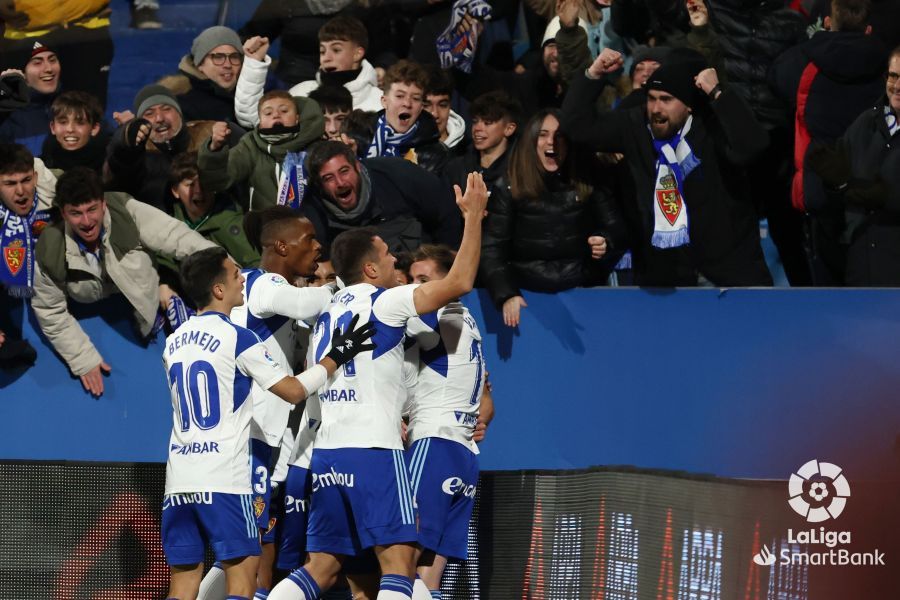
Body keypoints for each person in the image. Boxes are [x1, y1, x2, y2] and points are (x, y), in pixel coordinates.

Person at [267, 171, 488, 600]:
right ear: (370, 268)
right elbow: (459, 283)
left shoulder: (327, 314)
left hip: (327, 453)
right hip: (373, 450)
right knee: (401, 563)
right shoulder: (385, 302)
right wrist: (474, 217)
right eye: (388, 257)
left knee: (322, 569)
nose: (397, 266)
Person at [161, 246, 375, 600]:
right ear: (218, 290)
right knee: (243, 584)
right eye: (234, 275)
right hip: (225, 479)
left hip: (179, 481)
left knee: (182, 587)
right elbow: (292, 391)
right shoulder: (239, 337)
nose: (241, 281)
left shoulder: (172, 343)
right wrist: (338, 355)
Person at [196, 206, 334, 599]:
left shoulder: (264, 290)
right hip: (251, 436)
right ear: (281, 247)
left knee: (251, 545)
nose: (317, 246)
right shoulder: (266, 284)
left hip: (261, 436)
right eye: (308, 239)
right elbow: (311, 305)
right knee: (243, 548)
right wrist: (346, 288)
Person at [561, 47, 772, 287]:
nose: (656, 108)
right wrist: (592, 74)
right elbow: (576, 127)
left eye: (666, 99)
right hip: (665, 278)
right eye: (651, 98)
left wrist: (718, 92)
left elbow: (753, 146)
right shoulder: (634, 125)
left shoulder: (713, 126)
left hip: (727, 274)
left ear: (689, 105)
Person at [31, 167, 218, 397]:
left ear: (103, 204)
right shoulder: (50, 248)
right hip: (99, 317)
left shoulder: (126, 212)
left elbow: (178, 237)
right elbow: (49, 310)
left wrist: (227, 269)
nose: (87, 221)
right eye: (76, 213)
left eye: (92, 209)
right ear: (63, 213)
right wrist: (82, 358)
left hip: (146, 304)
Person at [770, 0, 886, 285]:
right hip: (877, 192)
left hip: (821, 193)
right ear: (868, 28)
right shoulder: (889, 65)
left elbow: (774, 82)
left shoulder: (798, 63)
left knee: (828, 297)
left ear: (827, 23)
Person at [404, 243, 495, 599]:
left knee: (401, 563)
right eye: (412, 279)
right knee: (428, 579)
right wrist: (478, 418)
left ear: (447, 281)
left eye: (424, 279)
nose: (415, 287)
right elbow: (487, 398)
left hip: (434, 445)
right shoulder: (464, 320)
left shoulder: (436, 313)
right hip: (463, 455)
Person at [480, 108, 626, 327]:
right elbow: (492, 250)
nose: (552, 142)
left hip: (584, 292)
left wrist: (607, 241)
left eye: (559, 136)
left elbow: (619, 230)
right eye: (543, 134)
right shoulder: (509, 187)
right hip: (526, 296)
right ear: (531, 141)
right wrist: (506, 294)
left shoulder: (588, 181)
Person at [807, 45, 900, 285]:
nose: (897, 86)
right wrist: (836, 185)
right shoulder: (865, 123)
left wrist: (887, 198)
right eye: (893, 76)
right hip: (860, 266)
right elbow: (838, 193)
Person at [302, 140, 462, 256]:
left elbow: (446, 211)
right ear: (319, 185)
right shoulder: (311, 212)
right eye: (328, 178)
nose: (340, 183)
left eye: (344, 171)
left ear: (358, 166)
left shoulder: (398, 174)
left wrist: (446, 264)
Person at [234, 16, 383, 131]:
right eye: (322, 51)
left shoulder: (380, 102)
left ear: (358, 54)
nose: (327, 57)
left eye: (336, 50)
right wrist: (254, 63)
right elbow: (253, 119)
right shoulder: (301, 93)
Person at [106, 84, 239, 211]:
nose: (159, 118)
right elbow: (117, 173)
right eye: (149, 113)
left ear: (179, 113)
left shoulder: (209, 135)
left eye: (166, 109)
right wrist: (124, 138)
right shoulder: (137, 156)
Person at [199, 90, 324, 211]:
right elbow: (216, 182)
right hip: (264, 226)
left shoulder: (315, 145)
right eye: (268, 113)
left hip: (310, 226)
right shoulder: (250, 146)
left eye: (284, 111)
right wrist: (215, 148)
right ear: (260, 121)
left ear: (297, 118)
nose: (276, 115)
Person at [164, 152, 260, 269]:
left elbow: (256, 264)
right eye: (190, 184)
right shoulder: (172, 225)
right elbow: (165, 265)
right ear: (175, 191)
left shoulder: (230, 222)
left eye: (203, 182)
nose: (198, 190)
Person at [367, 60, 449, 174]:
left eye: (415, 98)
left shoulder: (437, 154)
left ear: (421, 107)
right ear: (384, 101)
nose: (407, 103)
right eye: (400, 96)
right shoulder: (361, 140)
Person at [161, 26, 245, 123]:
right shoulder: (183, 104)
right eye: (218, 57)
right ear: (200, 64)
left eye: (234, 57)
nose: (227, 64)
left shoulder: (251, 93)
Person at [442, 90, 521, 195]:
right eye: (475, 121)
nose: (477, 128)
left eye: (487, 123)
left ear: (509, 129)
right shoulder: (455, 169)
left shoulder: (521, 173)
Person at [0, 42, 61, 155]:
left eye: (52, 60)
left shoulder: (72, 105)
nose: (49, 69)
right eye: (37, 63)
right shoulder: (7, 116)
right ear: (22, 73)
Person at [40, 90, 109, 173]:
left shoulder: (109, 161)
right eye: (63, 122)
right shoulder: (45, 159)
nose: (70, 129)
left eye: (80, 123)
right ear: (53, 127)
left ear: (94, 128)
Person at [423, 66, 466, 154]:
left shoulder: (467, 151)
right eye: (426, 105)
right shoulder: (398, 148)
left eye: (442, 105)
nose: (435, 113)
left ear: (450, 106)